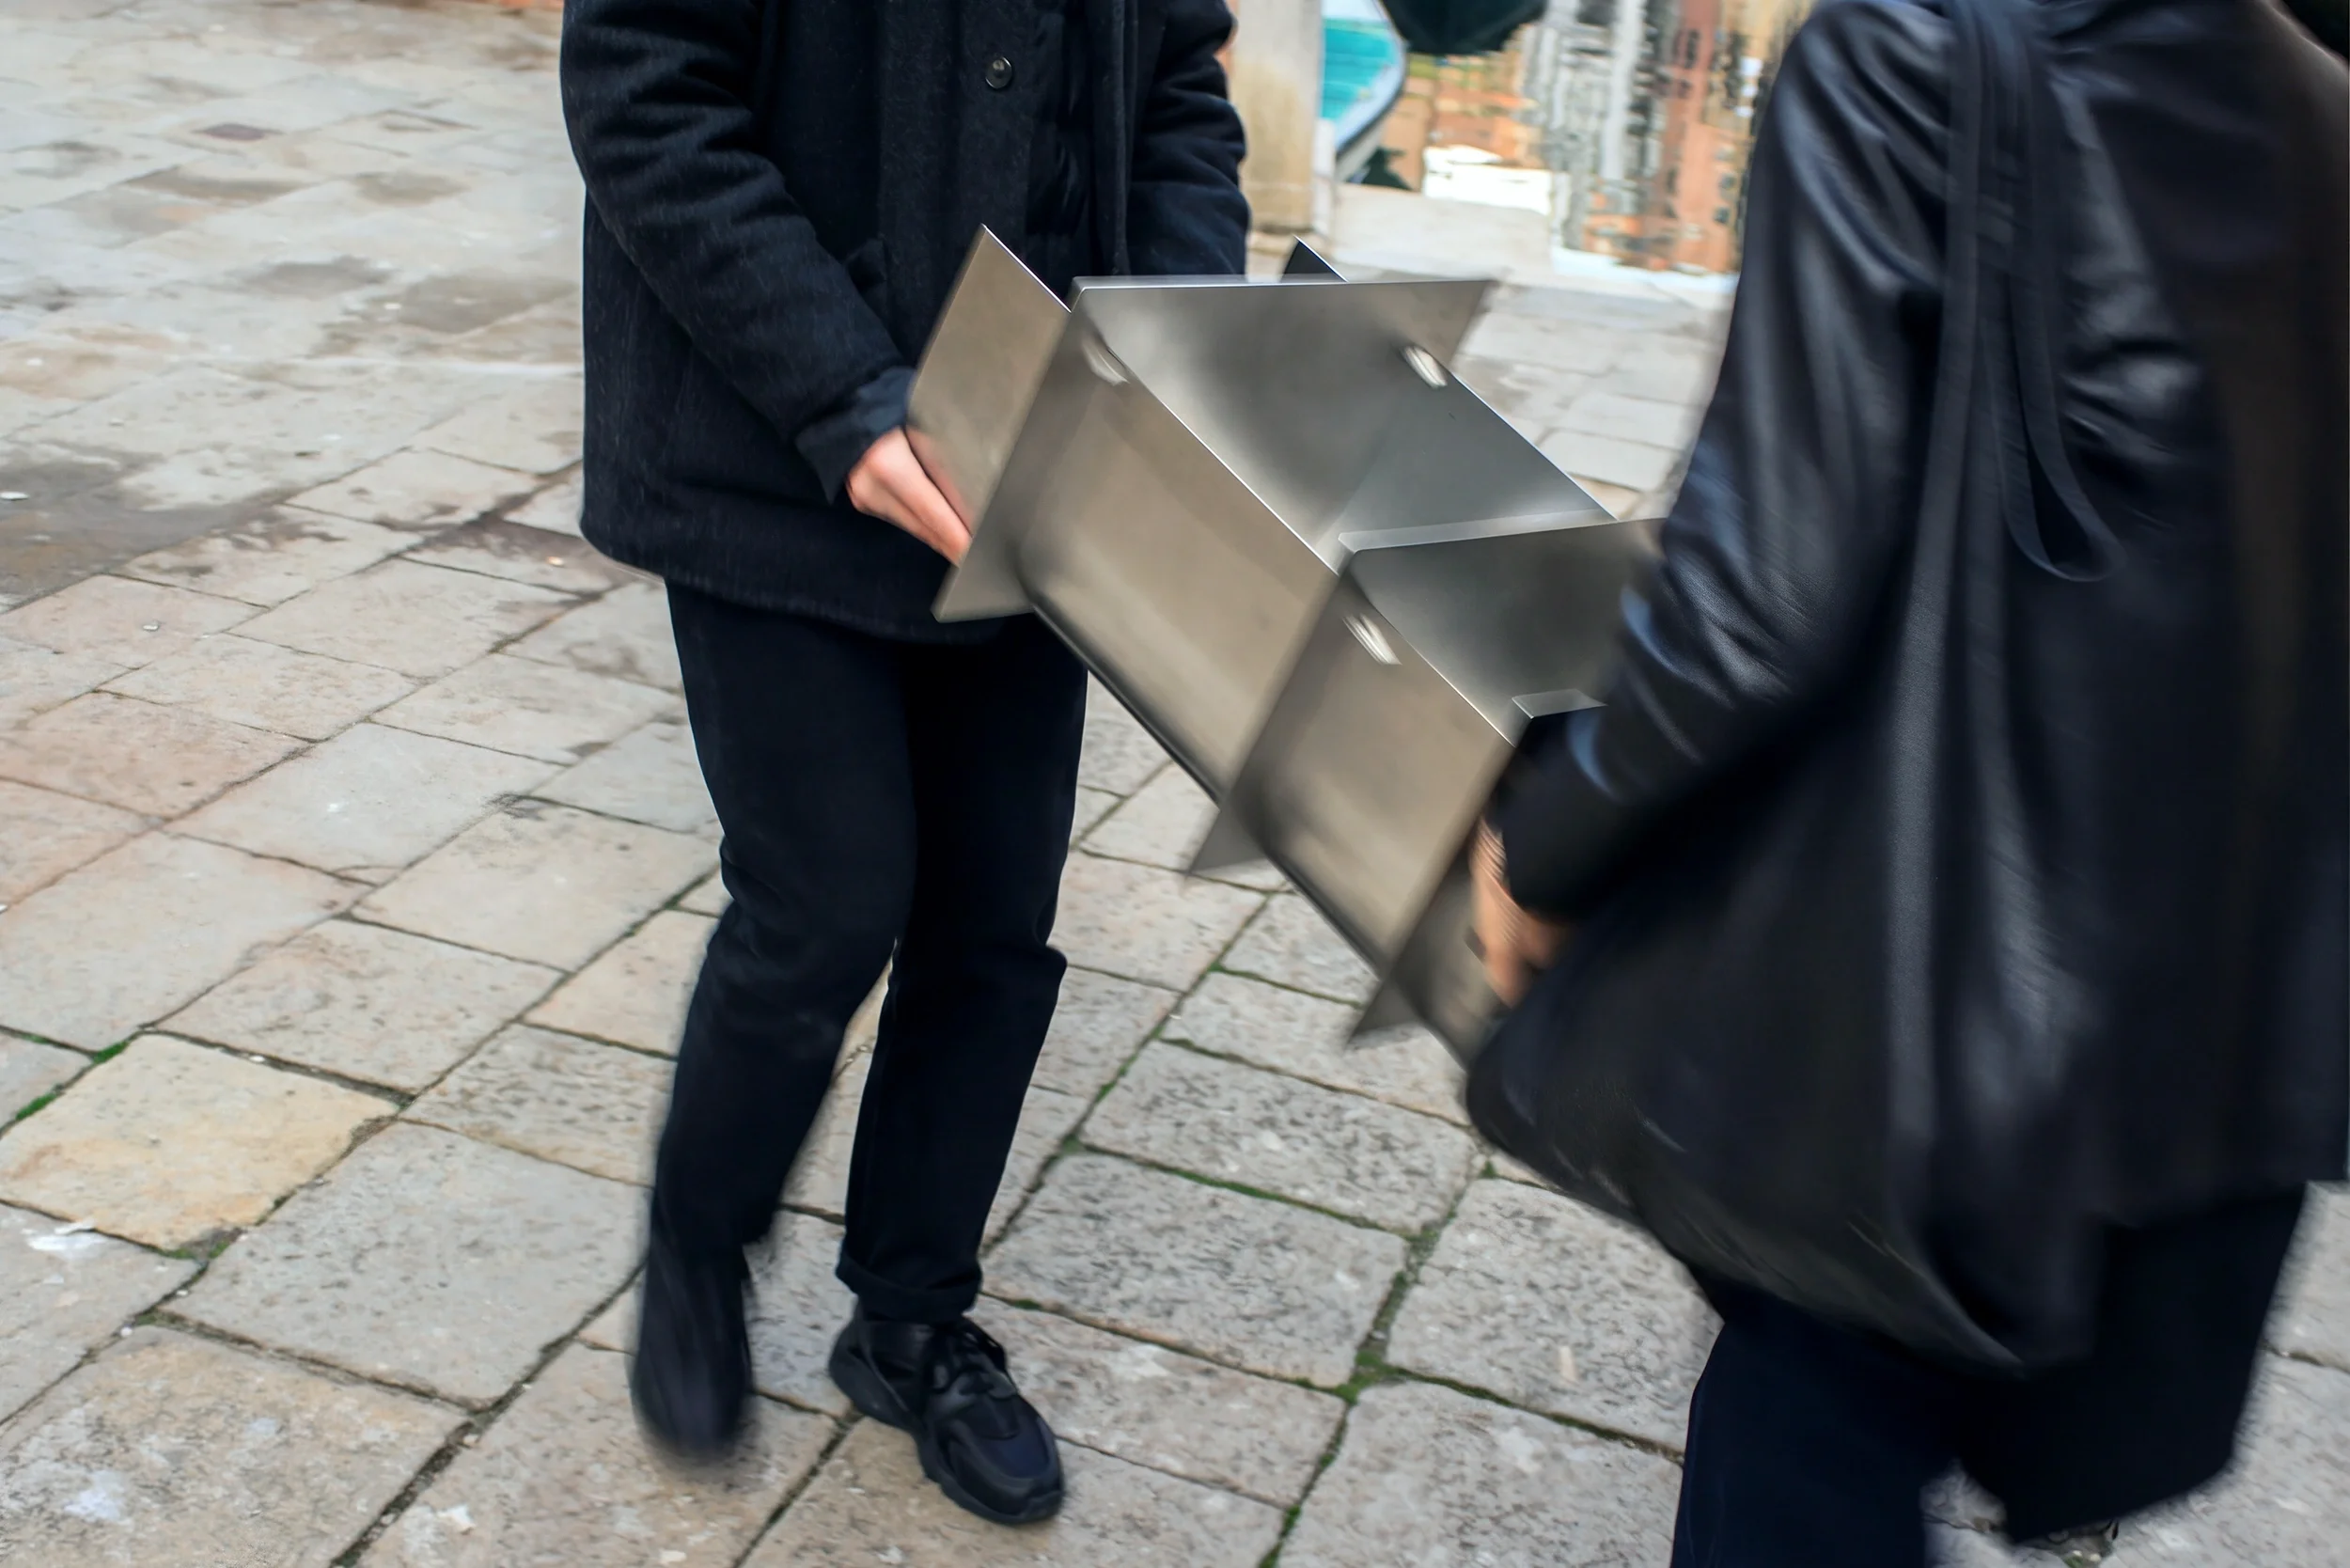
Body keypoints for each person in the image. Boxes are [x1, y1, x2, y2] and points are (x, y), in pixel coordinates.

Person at [1467, 0, 2345, 1560]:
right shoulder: (2312, 104)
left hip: (1911, 984)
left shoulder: (1906, 50)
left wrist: (1545, 846)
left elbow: (1759, 601)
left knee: (1810, 1416)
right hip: (2181, 1008)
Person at [557, 0, 1248, 1522]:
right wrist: (844, 395)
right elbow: (645, 91)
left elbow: (1178, 86)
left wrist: (1172, 345)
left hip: (1040, 458)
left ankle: (912, 1321)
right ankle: (700, 1245)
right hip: (767, 447)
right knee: (826, 902)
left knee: (993, 924)